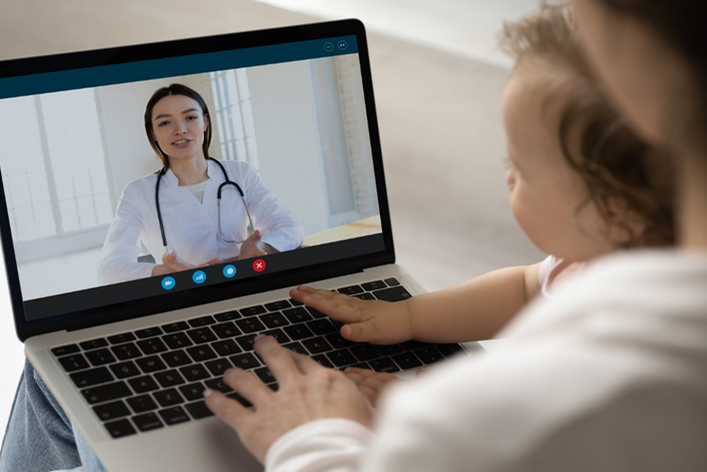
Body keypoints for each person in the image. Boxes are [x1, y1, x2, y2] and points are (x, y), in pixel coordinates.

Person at [203, 1, 707, 471]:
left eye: (521, 168)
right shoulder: (601, 259)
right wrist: (408, 315)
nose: (509, 179)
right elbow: (531, 288)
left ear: (615, 209)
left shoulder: (592, 385)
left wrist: (313, 439)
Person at [97, 83, 304, 284]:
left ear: (205, 122)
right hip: (185, 295)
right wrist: (162, 271)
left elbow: (290, 226)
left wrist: (263, 249)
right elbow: (108, 269)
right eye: (165, 123)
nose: (180, 129)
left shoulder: (240, 173)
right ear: (153, 133)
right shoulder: (138, 193)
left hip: (246, 283)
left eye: (190, 117)